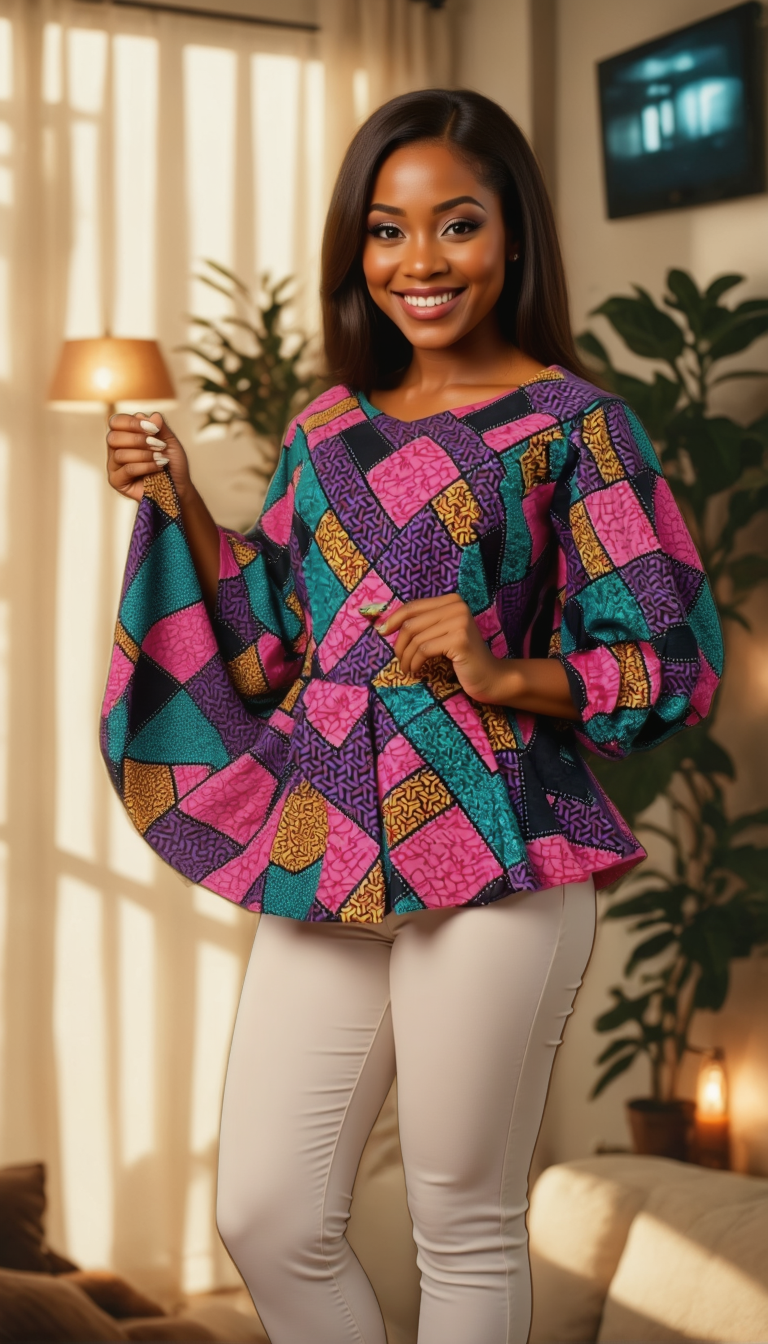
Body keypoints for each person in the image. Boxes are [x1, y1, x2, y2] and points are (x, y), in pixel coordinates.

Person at [102, 90, 722, 1344]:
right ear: (358, 246)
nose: (420, 262)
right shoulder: (327, 426)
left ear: (514, 234)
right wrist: (182, 503)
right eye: (387, 230)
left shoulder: (579, 426)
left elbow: (667, 660)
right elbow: (276, 633)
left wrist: (500, 672)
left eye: (458, 224)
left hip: (499, 840)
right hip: (328, 833)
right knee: (267, 1213)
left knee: (462, 1220)